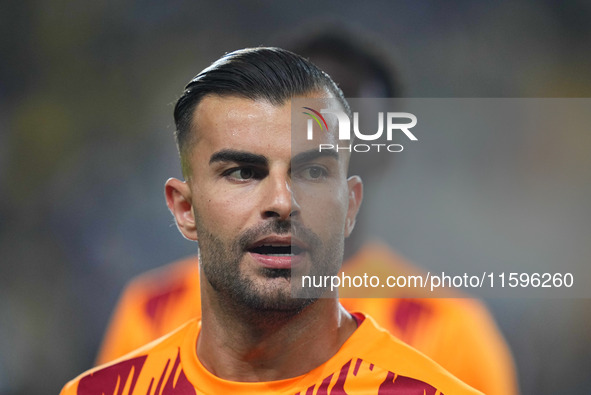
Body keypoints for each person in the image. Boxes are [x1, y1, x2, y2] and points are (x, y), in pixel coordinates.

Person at [95, 30, 518, 395]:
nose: (282, 199)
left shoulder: (447, 328)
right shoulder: (149, 315)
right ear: (184, 207)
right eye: (245, 170)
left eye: (313, 165)